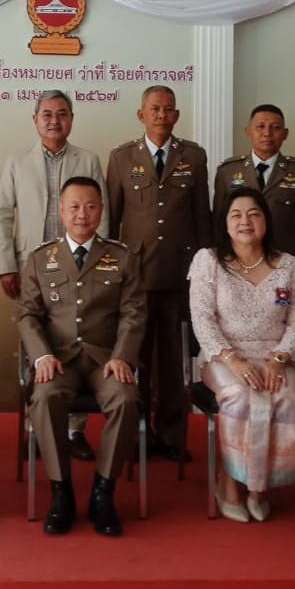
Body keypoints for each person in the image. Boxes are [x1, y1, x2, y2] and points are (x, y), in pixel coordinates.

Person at [17, 177, 146, 536]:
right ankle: (61, 491)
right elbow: (27, 315)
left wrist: (123, 356)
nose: (82, 214)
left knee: (125, 399)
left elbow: (134, 313)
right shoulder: (41, 258)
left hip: (106, 359)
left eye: (90, 206)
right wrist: (41, 357)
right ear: (60, 211)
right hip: (59, 360)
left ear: (101, 210)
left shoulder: (122, 257)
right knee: (45, 397)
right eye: (73, 207)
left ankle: (103, 492)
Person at [189, 188, 295, 522]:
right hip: (223, 357)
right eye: (235, 215)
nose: (245, 221)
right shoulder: (209, 262)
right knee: (241, 398)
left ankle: (259, 486)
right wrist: (232, 359)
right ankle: (231, 482)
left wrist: (279, 359)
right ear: (225, 223)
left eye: (254, 214)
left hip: (276, 357)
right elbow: (202, 319)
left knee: (289, 398)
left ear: (266, 220)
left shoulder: (291, 266)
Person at [0, 89, 108, 461]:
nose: (54, 121)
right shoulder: (16, 161)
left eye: (61, 114)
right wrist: (7, 266)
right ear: (35, 119)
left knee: (79, 338)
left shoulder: (87, 160)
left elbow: (102, 214)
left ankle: (74, 432)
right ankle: (36, 427)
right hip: (32, 267)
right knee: (36, 343)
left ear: (71, 119)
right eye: (47, 114)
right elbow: (3, 216)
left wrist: (101, 262)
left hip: (81, 265)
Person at [106, 84, 211, 462]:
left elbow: (202, 216)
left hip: (181, 275)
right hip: (136, 276)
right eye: (154, 109)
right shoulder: (121, 158)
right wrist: (110, 274)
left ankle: (171, 437)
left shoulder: (193, 156)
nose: (161, 115)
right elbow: (111, 221)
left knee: (174, 361)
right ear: (141, 114)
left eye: (168, 109)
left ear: (176, 115)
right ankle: (137, 436)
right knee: (136, 359)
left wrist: (206, 269)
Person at [213, 104, 295, 295]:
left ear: (285, 133)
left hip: (285, 268)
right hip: (237, 269)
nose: (267, 133)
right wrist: (219, 269)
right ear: (248, 131)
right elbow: (218, 225)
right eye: (260, 127)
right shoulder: (228, 171)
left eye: (275, 127)